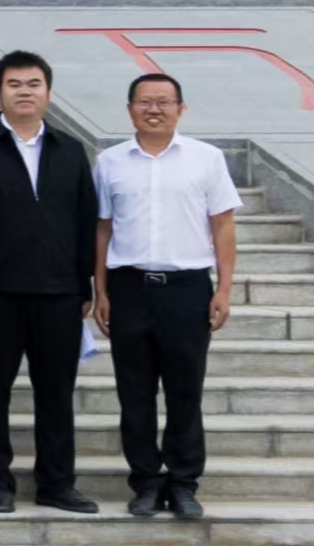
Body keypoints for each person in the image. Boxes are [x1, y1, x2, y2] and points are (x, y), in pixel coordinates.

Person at [0, 50, 101, 515]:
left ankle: (57, 483)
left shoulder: (70, 149)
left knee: (56, 393)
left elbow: (85, 220)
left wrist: (84, 286)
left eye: (34, 83)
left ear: (48, 92)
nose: (25, 91)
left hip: (58, 293)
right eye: (15, 84)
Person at [93, 73, 235, 521]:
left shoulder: (206, 159)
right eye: (144, 102)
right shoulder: (110, 162)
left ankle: (184, 482)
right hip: (129, 289)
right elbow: (103, 228)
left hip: (187, 290)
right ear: (129, 108)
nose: (153, 109)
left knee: (184, 391)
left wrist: (224, 288)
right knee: (134, 393)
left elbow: (223, 225)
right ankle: (146, 483)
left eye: (163, 101)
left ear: (180, 108)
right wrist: (100, 290)